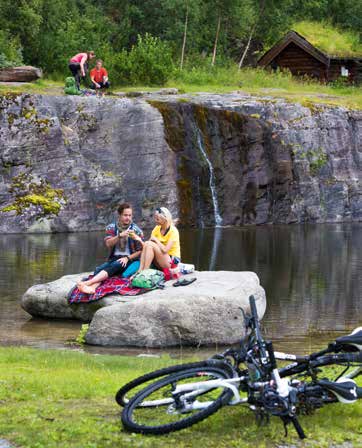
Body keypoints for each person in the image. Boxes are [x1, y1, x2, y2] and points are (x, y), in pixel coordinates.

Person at [77, 203, 144, 294]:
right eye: (125, 215)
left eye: (130, 215)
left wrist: (127, 258)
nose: (128, 218)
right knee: (98, 269)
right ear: (119, 215)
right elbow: (108, 244)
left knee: (118, 264)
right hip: (114, 257)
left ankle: (87, 283)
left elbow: (141, 251)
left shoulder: (136, 230)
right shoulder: (111, 227)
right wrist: (119, 236)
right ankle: (93, 288)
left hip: (130, 259)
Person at [137, 207, 180, 272]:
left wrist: (156, 240)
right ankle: (140, 270)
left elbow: (165, 250)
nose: (155, 220)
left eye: (157, 219)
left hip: (172, 262)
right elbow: (147, 246)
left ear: (165, 219)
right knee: (147, 243)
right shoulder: (157, 229)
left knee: (150, 244)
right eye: (155, 218)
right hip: (160, 260)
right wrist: (139, 239)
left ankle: (145, 271)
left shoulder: (173, 231)